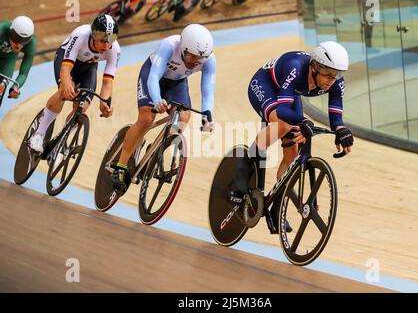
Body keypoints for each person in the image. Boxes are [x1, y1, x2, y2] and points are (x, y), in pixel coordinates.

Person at [233, 41, 354, 234]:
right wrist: (302, 121)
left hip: (289, 94)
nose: (333, 79)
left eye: (337, 74)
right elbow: (282, 110)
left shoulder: (336, 82)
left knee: (292, 154)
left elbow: (335, 113)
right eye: (328, 74)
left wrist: (341, 130)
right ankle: (242, 171)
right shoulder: (295, 68)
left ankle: (276, 207)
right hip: (265, 84)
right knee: (285, 124)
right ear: (314, 67)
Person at [111, 23, 216, 194]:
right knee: (146, 118)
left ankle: (154, 150)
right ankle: (121, 166)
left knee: (182, 120)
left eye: (200, 59)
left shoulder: (209, 59)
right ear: (183, 49)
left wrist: (207, 116)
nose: (196, 62)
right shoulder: (169, 45)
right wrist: (157, 99)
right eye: (192, 57)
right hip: (153, 76)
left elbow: (208, 90)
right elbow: (154, 76)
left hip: (177, 83)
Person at [28, 14, 120, 153]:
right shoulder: (80, 35)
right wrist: (66, 84)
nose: (106, 44)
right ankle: (38, 134)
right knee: (64, 92)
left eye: (111, 39)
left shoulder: (114, 49)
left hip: (88, 68)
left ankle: (62, 140)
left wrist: (105, 103)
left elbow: (107, 83)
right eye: (102, 39)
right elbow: (66, 68)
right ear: (94, 34)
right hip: (67, 60)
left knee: (83, 107)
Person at [0, 16, 37, 99]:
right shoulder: (1, 29)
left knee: (2, 84)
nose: (19, 45)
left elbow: (23, 73)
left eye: (24, 41)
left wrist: (15, 87)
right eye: (16, 38)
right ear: (10, 31)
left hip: (8, 60)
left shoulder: (31, 44)